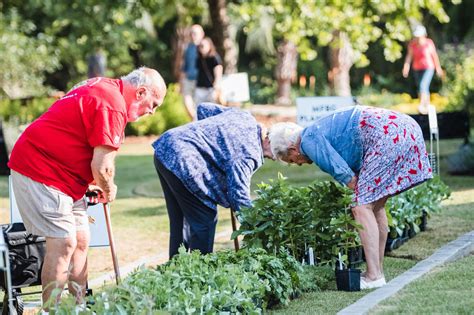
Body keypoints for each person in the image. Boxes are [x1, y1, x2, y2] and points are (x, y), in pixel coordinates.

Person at [8, 67, 167, 311]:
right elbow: (102, 167)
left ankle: (79, 306)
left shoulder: (104, 86)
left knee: (82, 240)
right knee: (64, 243)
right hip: (40, 168)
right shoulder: (113, 104)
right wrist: (108, 187)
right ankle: (53, 310)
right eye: (153, 103)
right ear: (140, 92)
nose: (152, 111)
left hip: (66, 177)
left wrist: (96, 182)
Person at [267, 106, 432, 289]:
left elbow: (347, 177)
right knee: (375, 206)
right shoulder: (317, 131)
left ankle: (374, 276)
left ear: (292, 149)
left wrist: (351, 212)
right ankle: (377, 271)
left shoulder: (308, 140)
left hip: (388, 136)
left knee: (360, 207)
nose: (297, 165)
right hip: (406, 128)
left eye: (291, 161)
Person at [152, 103, 274, 258]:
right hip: (185, 160)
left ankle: (175, 271)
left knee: (180, 221)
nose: (268, 157)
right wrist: (256, 226)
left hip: (167, 145)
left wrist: (210, 138)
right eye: (271, 155)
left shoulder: (245, 117)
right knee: (205, 220)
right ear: (269, 141)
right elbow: (239, 196)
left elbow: (203, 108)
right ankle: (199, 273)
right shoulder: (251, 153)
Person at [402, 25, 443, 115]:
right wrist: (406, 67)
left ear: (424, 35)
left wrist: (438, 68)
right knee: (421, 87)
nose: (417, 38)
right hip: (417, 68)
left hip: (428, 67)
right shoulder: (412, 44)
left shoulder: (429, 43)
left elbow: (434, 56)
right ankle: (426, 106)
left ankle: (422, 105)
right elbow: (409, 57)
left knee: (423, 85)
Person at [181, 24, 205, 120]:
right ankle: (195, 121)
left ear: (202, 34)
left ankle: (197, 123)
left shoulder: (205, 47)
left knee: (199, 105)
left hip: (200, 81)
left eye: (195, 33)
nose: (192, 35)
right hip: (188, 79)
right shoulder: (188, 48)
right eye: (191, 33)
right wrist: (181, 82)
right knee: (187, 103)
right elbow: (184, 66)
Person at [194, 37, 223, 106]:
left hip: (211, 88)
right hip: (200, 87)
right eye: (200, 46)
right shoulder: (199, 59)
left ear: (209, 46)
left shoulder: (214, 57)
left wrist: (216, 85)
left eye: (203, 46)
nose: (201, 48)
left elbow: (218, 71)